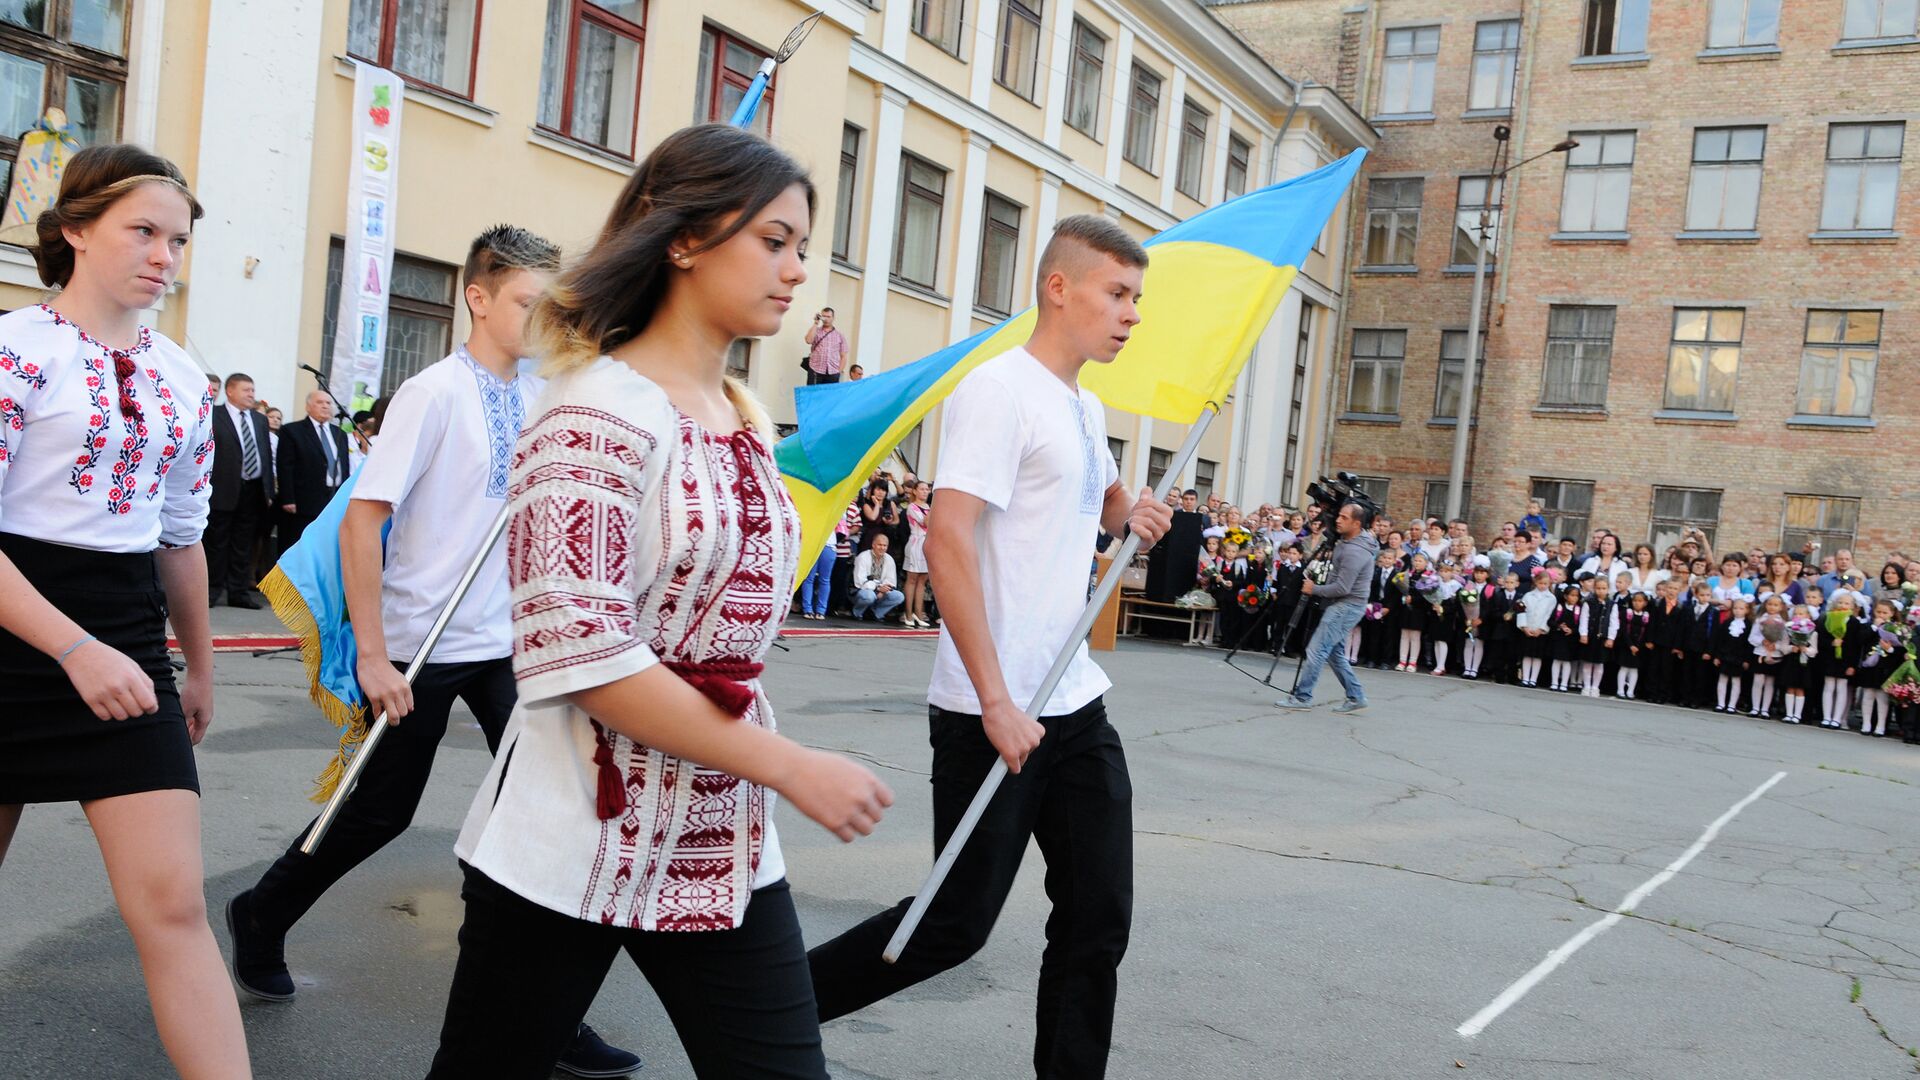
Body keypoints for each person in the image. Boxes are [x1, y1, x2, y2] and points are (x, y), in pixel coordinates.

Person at [424, 125, 894, 1080]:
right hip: (571, 828)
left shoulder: (746, 417)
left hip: (716, 838)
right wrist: (790, 764)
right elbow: (582, 653)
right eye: (773, 241)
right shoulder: (594, 407)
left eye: (802, 246)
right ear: (683, 239)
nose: (797, 270)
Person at [227, 226, 641, 1076]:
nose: (541, 320)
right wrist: (374, 657)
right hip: (420, 642)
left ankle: (549, 1019)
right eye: (528, 303)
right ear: (478, 298)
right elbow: (363, 521)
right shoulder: (433, 393)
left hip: (510, 648)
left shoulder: (544, 393)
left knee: (551, 812)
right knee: (380, 812)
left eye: (550, 306)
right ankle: (262, 913)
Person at [806, 212, 1170, 1080]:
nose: (1131, 314)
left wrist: (1132, 513)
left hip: (1073, 703)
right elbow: (948, 539)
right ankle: (768, 1017)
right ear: (1059, 286)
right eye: (1117, 294)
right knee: (949, 927)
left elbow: (1102, 503)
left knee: (1097, 919)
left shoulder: (1084, 403)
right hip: (991, 711)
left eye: (1137, 299)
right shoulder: (996, 390)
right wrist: (998, 699)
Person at [0, 144, 250, 1077]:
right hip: (16, 627)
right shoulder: (14, 351)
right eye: (143, 230)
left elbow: (178, 537)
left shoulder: (184, 376)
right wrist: (72, 650)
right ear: (75, 230)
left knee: (175, 907)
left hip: (126, 636)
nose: (164, 256)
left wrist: (198, 662)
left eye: (177, 240)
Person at [1275, 500, 1379, 713]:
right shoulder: (1348, 543)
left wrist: (1315, 589)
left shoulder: (1354, 551)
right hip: (1343, 605)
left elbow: (1342, 587)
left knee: (1316, 650)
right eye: (1338, 516)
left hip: (1345, 606)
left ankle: (1303, 697)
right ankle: (1356, 696)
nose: (1338, 521)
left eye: (1344, 518)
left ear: (1357, 524)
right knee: (1334, 653)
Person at [205, 370, 275, 608]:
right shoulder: (214, 415)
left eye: (253, 390)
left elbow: (265, 454)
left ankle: (238, 592)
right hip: (223, 488)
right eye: (246, 390)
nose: (251, 395)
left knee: (243, 544)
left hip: (253, 490)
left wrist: (267, 491)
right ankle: (212, 591)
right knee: (217, 543)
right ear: (230, 391)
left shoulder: (259, 420)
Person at [275, 388, 351, 551]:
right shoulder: (292, 431)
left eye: (328, 403)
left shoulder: (340, 434)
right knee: (298, 544)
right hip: (304, 501)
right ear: (308, 407)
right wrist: (288, 498)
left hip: (332, 498)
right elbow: (285, 466)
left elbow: (344, 467)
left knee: (325, 546)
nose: (325, 406)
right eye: (320, 402)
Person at [852, 531, 905, 621]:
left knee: (899, 596)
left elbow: (891, 580)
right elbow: (859, 582)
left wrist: (883, 590)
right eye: (879, 545)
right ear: (873, 545)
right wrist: (877, 588)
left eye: (885, 546)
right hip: (863, 590)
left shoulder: (889, 559)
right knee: (869, 596)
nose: (882, 548)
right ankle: (858, 613)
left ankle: (876, 614)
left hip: (881, 591)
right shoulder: (863, 557)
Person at [901, 479, 933, 627]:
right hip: (915, 543)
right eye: (922, 489)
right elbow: (925, 523)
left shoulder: (928, 506)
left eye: (927, 489)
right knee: (912, 578)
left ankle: (918, 613)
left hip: (927, 543)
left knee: (922, 580)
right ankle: (908, 613)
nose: (925, 492)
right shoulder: (912, 507)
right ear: (914, 491)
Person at [803, 305, 846, 384]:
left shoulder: (839, 335)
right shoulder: (816, 331)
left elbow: (843, 356)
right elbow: (808, 340)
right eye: (824, 316)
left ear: (833, 318)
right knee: (813, 395)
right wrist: (816, 323)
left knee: (830, 396)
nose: (826, 319)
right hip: (815, 371)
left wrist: (838, 372)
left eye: (828, 317)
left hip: (833, 373)